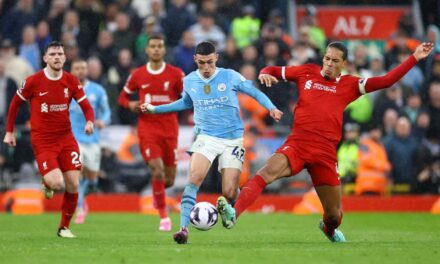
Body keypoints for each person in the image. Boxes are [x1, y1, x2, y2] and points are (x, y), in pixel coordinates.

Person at [216, 41, 433, 243]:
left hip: (325, 153)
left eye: (335, 61)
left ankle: (329, 229)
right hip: (298, 143)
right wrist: (264, 74)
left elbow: (387, 80)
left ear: (344, 64)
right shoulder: (306, 72)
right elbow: (272, 70)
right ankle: (234, 212)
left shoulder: (351, 84)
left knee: (334, 215)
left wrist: (414, 57)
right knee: (265, 173)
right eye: (327, 59)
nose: (329, 64)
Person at [141, 41, 283, 244]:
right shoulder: (190, 80)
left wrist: (272, 108)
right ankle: (183, 229)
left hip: (232, 139)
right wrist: (155, 108)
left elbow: (254, 92)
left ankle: (230, 210)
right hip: (206, 137)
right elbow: (185, 102)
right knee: (194, 178)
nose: (206, 68)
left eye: (209, 62)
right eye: (201, 63)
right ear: (195, 60)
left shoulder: (230, 76)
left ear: (216, 57)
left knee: (228, 191)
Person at [3, 41, 95, 238]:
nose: (57, 57)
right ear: (45, 58)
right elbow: (14, 105)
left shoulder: (71, 81)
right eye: (52, 54)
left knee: (74, 183)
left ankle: (64, 228)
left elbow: (86, 106)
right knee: (56, 183)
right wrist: (9, 132)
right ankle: (47, 182)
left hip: (66, 138)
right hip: (43, 140)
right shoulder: (33, 81)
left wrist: (90, 122)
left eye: (60, 54)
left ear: (64, 57)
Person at [118, 35, 185, 232]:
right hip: (148, 130)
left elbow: (187, 98)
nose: (156, 49)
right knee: (157, 170)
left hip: (170, 130)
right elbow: (123, 97)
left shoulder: (175, 74)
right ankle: (164, 216)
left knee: (169, 179)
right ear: (147, 50)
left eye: (159, 46)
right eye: (153, 46)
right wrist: (131, 104)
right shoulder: (137, 74)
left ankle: (157, 195)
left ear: (164, 50)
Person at [69, 58, 111, 224]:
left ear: (87, 70)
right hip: (73, 139)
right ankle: (80, 208)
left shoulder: (97, 90)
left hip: (92, 139)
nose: (80, 70)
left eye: (83, 68)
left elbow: (107, 111)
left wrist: (103, 121)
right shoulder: (66, 90)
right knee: (76, 173)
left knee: (92, 180)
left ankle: (83, 199)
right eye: (77, 67)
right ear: (71, 71)